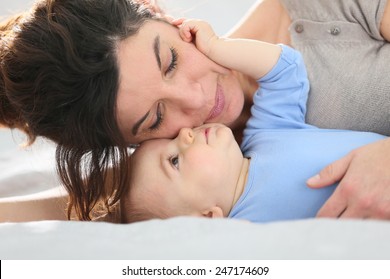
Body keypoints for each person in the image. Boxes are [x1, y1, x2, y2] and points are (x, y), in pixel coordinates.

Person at [1, 0, 390, 221]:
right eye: (155, 118)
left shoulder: (326, 10)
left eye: (170, 60)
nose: (199, 100)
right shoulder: (184, 171)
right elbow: (56, 209)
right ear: (129, 144)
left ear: (156, 11)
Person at [119, 19, 386, 223]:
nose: (186, 133)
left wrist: (217, 46)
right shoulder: (246, 231)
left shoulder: (267, 134)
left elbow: (285, 70)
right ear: (208, 218)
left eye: (171, 62)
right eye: (174, 160)